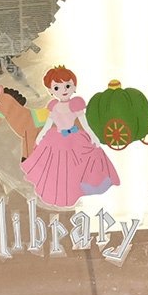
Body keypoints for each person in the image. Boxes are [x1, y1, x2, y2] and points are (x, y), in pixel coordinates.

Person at [20, 65, 120, 208]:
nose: (64, 90)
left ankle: (85, 186)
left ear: (74, 86)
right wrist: (41, 135)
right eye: (57, 88)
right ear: (51, 91)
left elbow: (85, 124)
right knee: (59, 170)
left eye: (67, 86)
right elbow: (48, 123)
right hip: (57, 140)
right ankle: (60, 195)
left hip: (75, 138)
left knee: (79, 165)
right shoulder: (53, 106)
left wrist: (93, 136)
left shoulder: (75, 104)